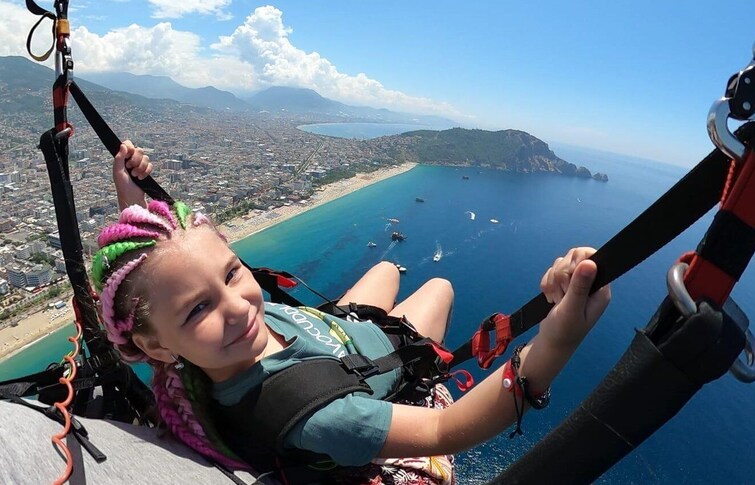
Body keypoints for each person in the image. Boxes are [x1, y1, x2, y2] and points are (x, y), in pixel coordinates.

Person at [94, 141, 611, 482]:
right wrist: (556, 343)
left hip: (336, 338)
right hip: (364, 368)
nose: (238, 305)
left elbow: (158, 286)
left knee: (386, 270)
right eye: (199, 307)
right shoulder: (325, 419)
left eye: (231, 273)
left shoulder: (191, 347)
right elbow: (445, 431)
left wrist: (134, 201)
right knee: (440, 286)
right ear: (156, 345)